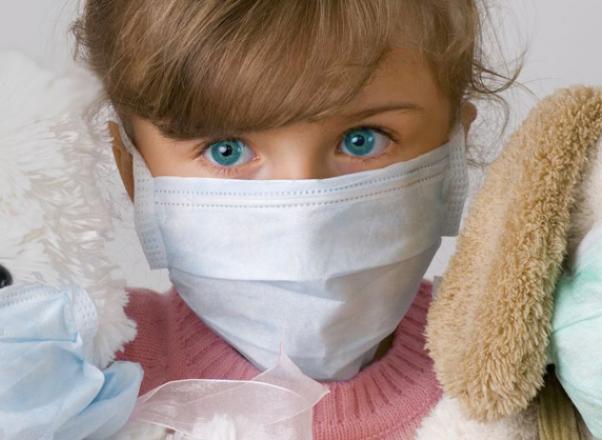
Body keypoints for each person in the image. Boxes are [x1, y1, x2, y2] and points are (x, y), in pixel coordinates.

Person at [72, 1, 515, 438]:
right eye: (226, 149)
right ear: (134, 171)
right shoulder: (78, 377)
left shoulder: (514, 372)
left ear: (452, 150)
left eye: (362, 140)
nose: (308, 219)